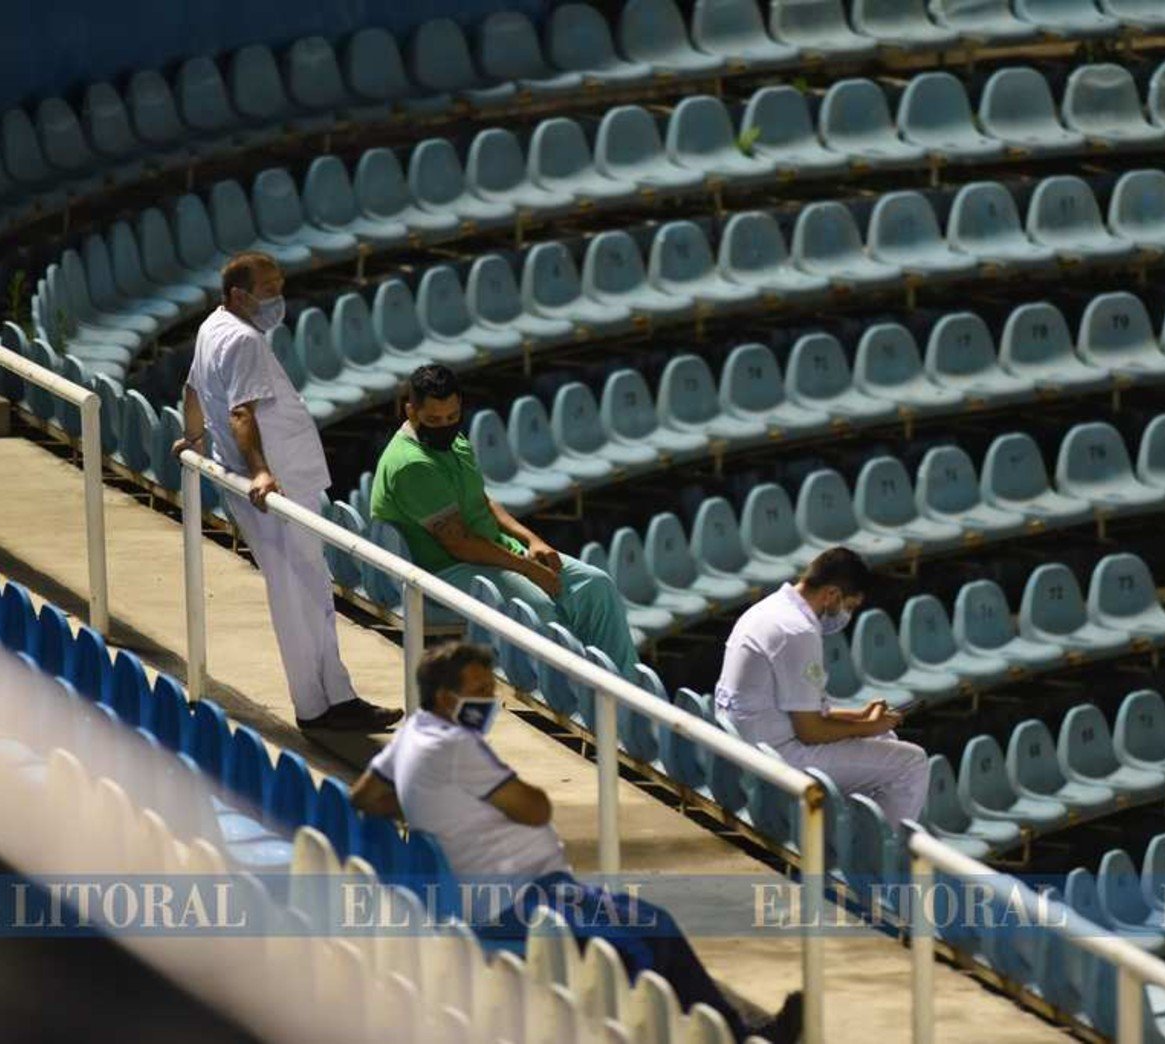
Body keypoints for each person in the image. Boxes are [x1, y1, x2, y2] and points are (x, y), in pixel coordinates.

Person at [350, 642, 802, 1044]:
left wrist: (431, 805)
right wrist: (452, 801)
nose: (490, 699)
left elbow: (365, 796)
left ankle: (735, 1034)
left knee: (655, 923)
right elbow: (534, 809)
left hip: (529, 888)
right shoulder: (456, 747)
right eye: (481, 691)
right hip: (518, 898)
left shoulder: (415, 732)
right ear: (447, 699)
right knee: (635, 950)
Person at [175, 251, 400, 733]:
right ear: (240, 295)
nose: (279, 297)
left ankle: (332, 694)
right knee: (302, 592)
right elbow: (241, 412)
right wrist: (261, 472)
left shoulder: (214, 325)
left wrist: (191, 437)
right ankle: (319, 704)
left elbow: (193, 389)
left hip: (268, 481)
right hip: (277, 486)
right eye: (269, 289)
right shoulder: (244, 340)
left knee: (304, 588)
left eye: (280, 285)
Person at [368, 363, 640, 678]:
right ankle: (576, 696)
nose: (444, 426)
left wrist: (532, 541)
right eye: (434, 420)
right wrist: (528, 568)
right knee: (538, 607)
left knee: (595, 586)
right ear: (411, 412)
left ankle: (624, 690)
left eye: (452, 417)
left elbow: (482, 501)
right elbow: (459, 544)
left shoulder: (453, 441)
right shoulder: (412, 465)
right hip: (446, 569)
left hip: (492, 551)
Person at [714, 547, 928, 827]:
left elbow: (803, 710)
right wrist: (867, 727)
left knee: (884, 738)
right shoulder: (797, 631)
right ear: (832, 595)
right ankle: (881, 852)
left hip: (747, 747)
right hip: (771, 761)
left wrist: (861, 717)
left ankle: (847, 835)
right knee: (911, 763)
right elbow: (810, 730)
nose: (847, 615)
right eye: (849, 606)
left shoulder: (771, 608)